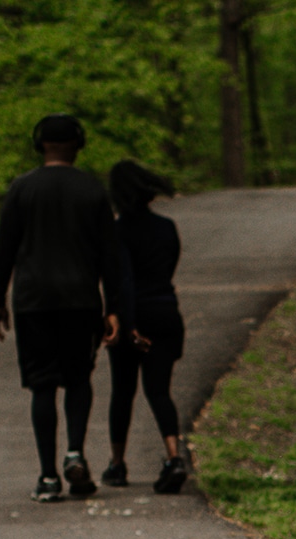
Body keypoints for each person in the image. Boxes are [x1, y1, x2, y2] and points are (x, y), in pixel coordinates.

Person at [0, 113, 120, 502]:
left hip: (33, 302)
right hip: (80, 300)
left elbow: (4, 248)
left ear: (39, 144)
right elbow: (109, 255)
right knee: (78, 379)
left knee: (41, 385)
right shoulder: (92, 191)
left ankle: (47, 476)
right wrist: (113, 306)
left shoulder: (21, 189)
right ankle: (75, 452)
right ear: (78, 146)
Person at [101, 160, 187, 495]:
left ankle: (117, 463)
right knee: (159, 390)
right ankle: (173, 456)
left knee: (123, 391)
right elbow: (168, 268)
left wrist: (127, 322)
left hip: (131, 318)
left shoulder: (118, 231)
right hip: (167, 312)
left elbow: (123, 279)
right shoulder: (167, 228)